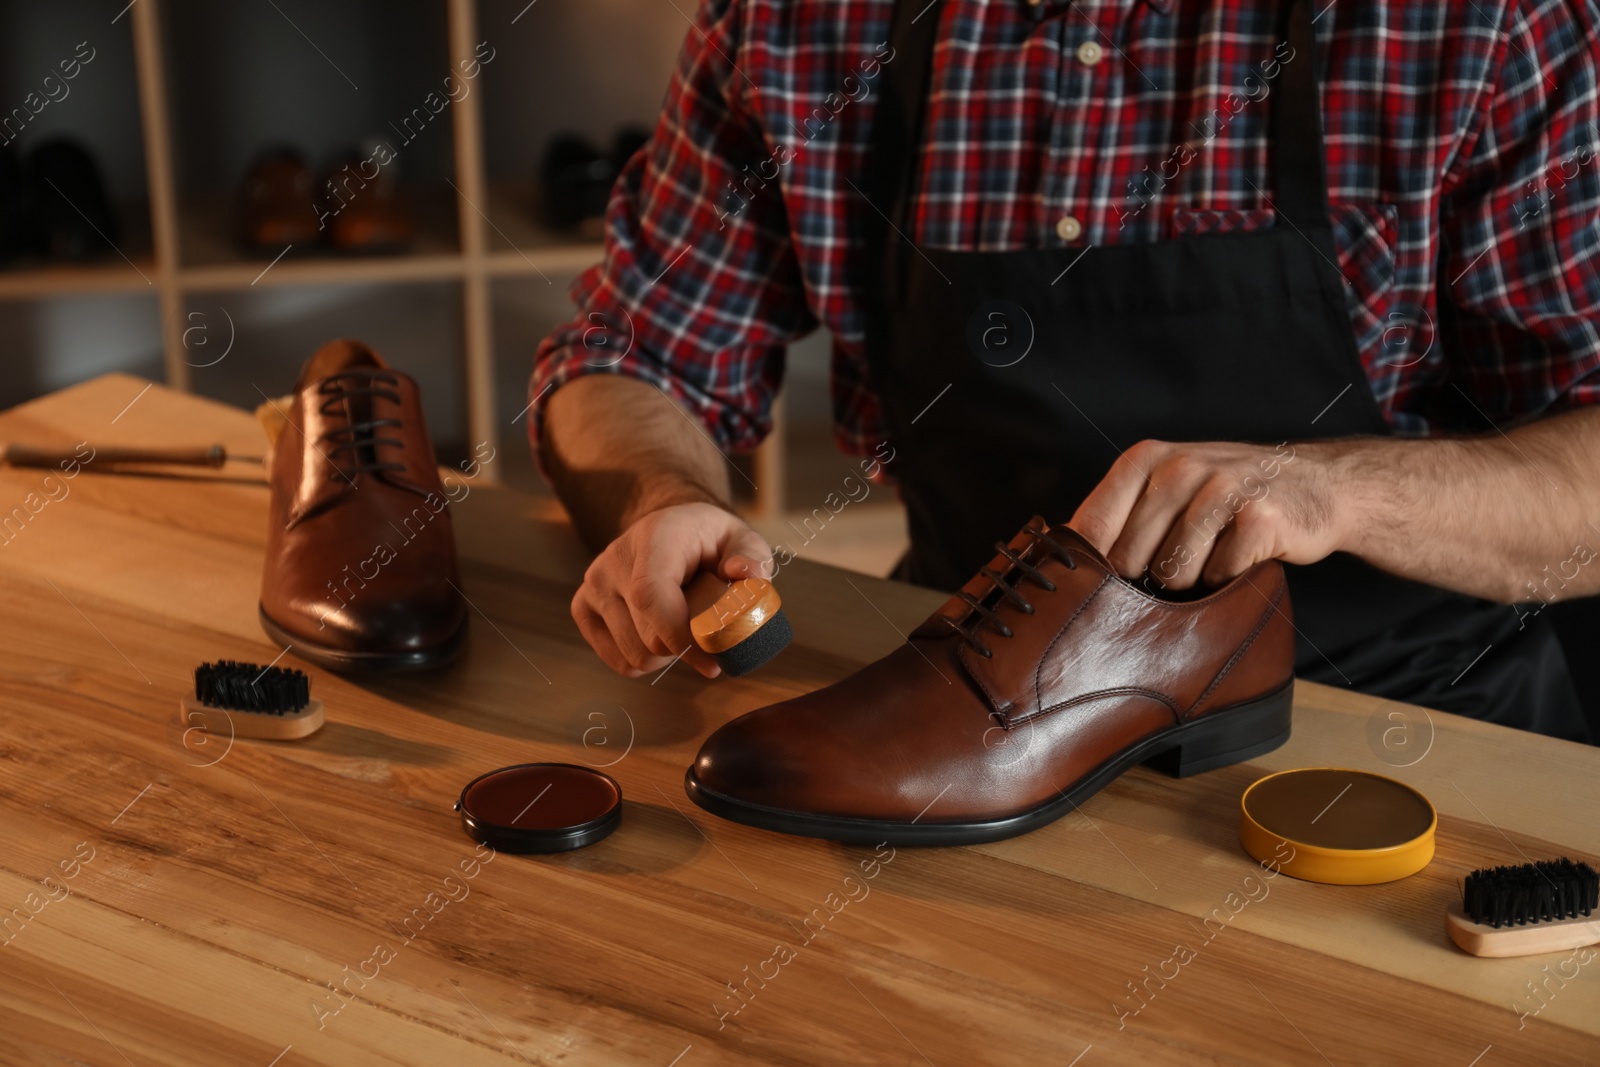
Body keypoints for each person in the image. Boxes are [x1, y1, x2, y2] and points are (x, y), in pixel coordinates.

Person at [531, 0, 1600, 740]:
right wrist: (659, 499)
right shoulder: (796, 24)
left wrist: (1341, 489)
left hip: (1411, 726)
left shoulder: (1477, 24)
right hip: (978, 713)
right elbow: (632, 351)